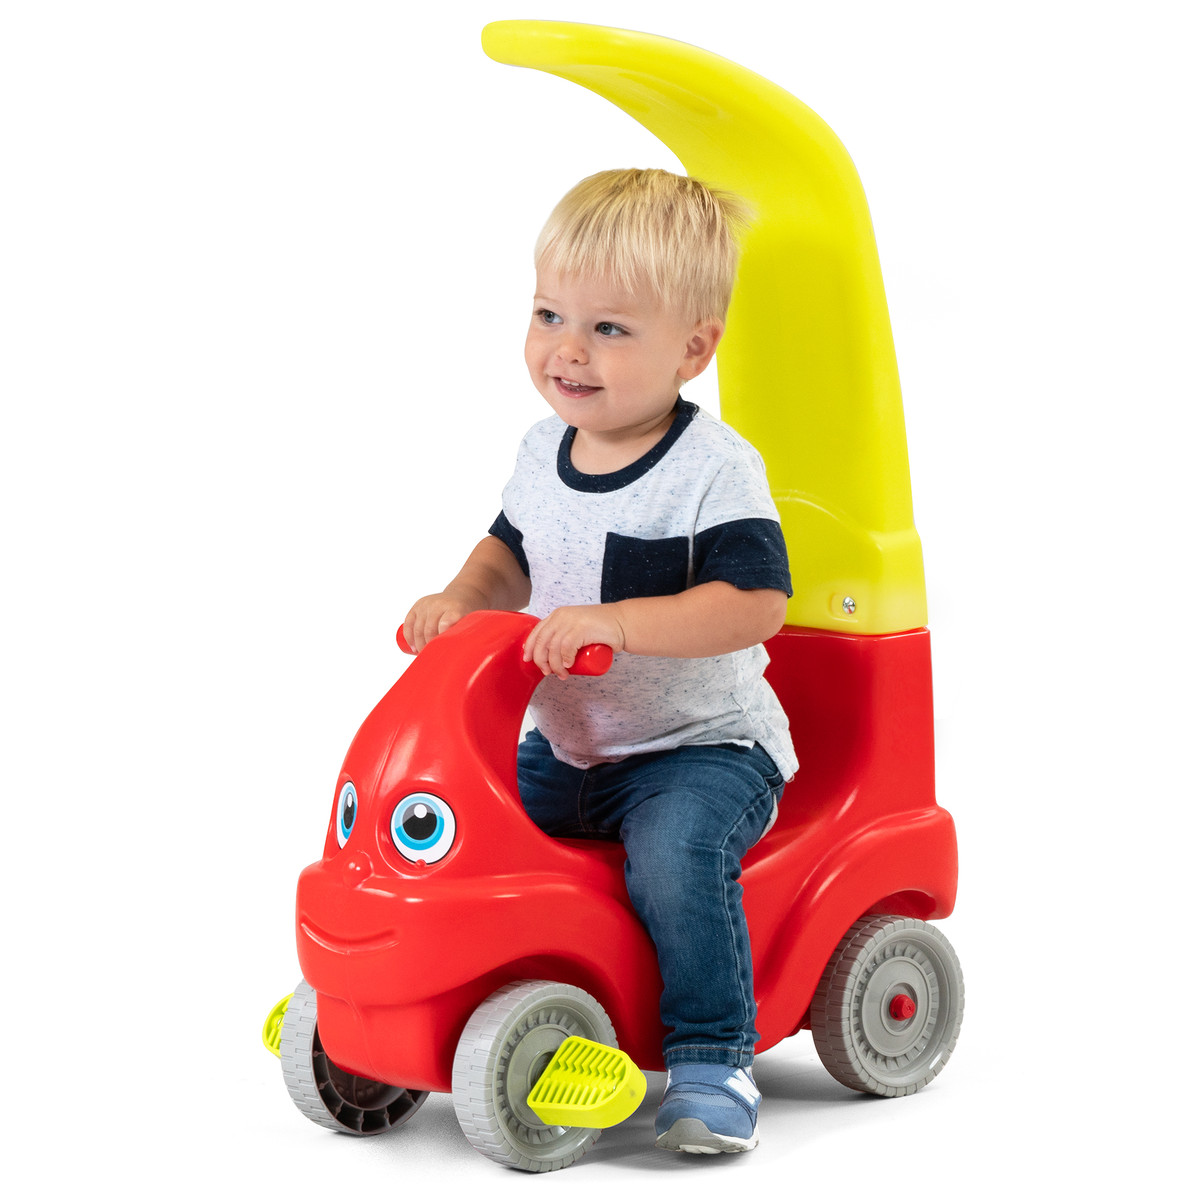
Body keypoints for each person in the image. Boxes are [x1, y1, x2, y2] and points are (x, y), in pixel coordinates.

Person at [403, 167, 797, 1154]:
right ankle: (459, 1005)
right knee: (464, 840)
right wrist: (461, 598)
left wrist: (622, 622)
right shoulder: (546, 448)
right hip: (573, 750)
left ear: (694, 350)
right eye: (549, 314)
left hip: (698, 748)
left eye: (610, 329)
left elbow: (756, 603)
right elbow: (508, 554)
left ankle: (714, 1057)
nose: (567, 350)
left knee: (672, 860)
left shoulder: (714, 468)